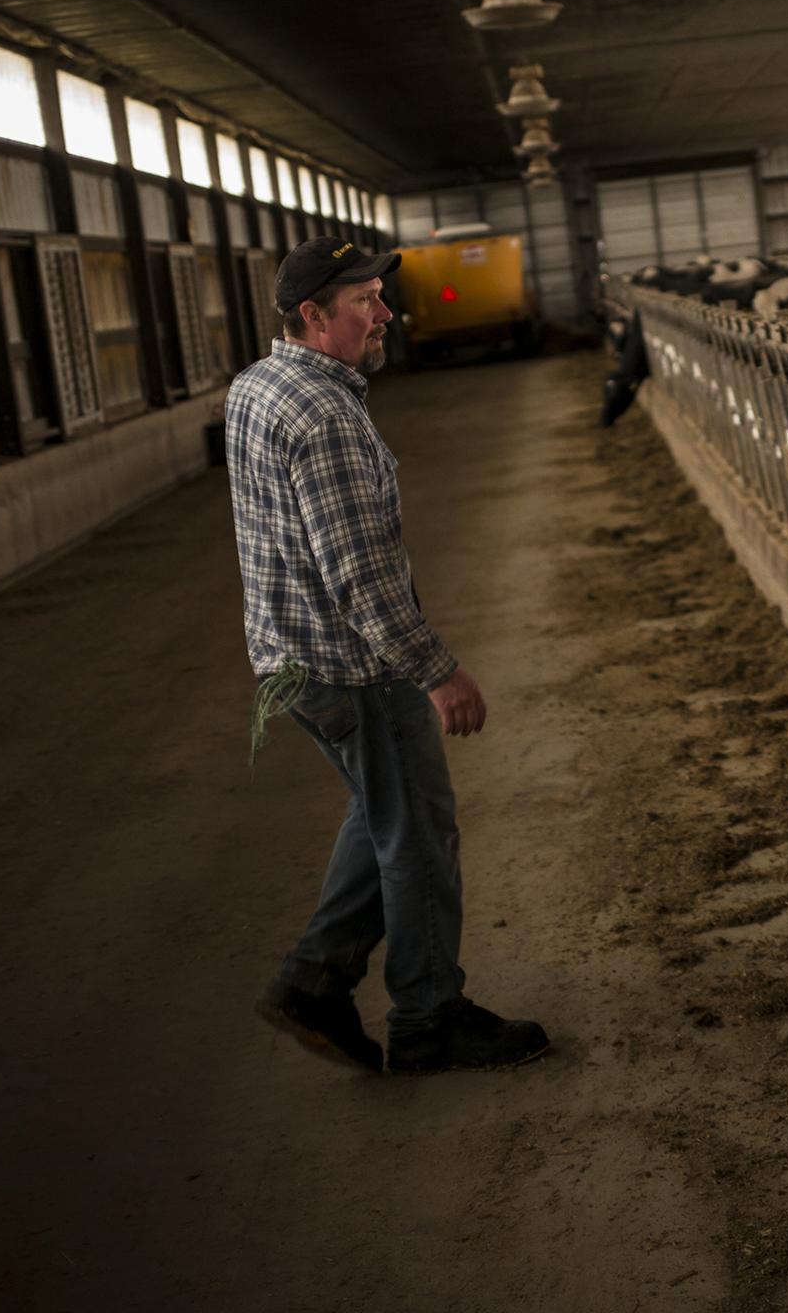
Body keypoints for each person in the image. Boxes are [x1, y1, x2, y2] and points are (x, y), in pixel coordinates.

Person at [224, 236, 549, 1075]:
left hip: (290, 659)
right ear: (311, 315)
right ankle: (430, 1015)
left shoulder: (258, 384)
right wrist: (437, 671)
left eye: (378, 296)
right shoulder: (324, 414)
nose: (385, 314)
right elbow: (360, 576)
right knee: (419, 836)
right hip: (352, 666)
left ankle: (314, 984)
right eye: (365, 300)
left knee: (383, 817)